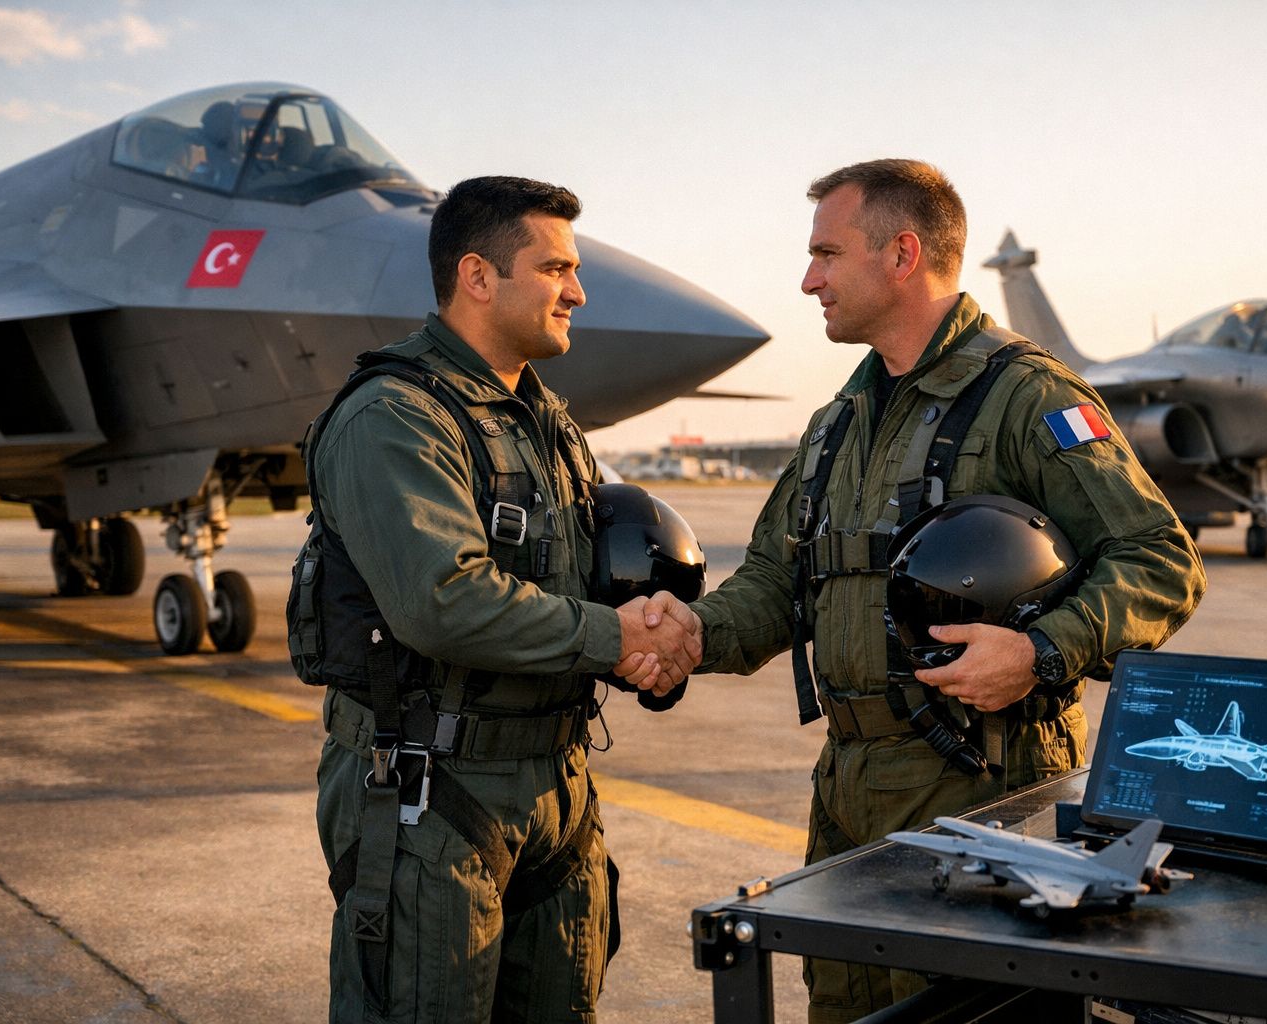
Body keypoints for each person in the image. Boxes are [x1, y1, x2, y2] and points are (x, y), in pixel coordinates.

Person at [657, 159, 1206, 1022]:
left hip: (986, 795)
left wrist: (1040, 651)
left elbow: (1161, 559)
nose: (809, 281)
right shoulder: (837, 423)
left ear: (903, 254)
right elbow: (773, 581)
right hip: (847, 792)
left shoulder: (1028, 395)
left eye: (827, 254)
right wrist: (687, 634)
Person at [306, 175, 698, 1023]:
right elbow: (442, 600)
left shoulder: (547, 423)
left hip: (555, 787)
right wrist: (618, 637)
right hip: (432, 792)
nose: (577, 292)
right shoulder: (396, 415)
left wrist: (653, 641)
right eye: (556, 269)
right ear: (478, 276)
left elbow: (580, 584)